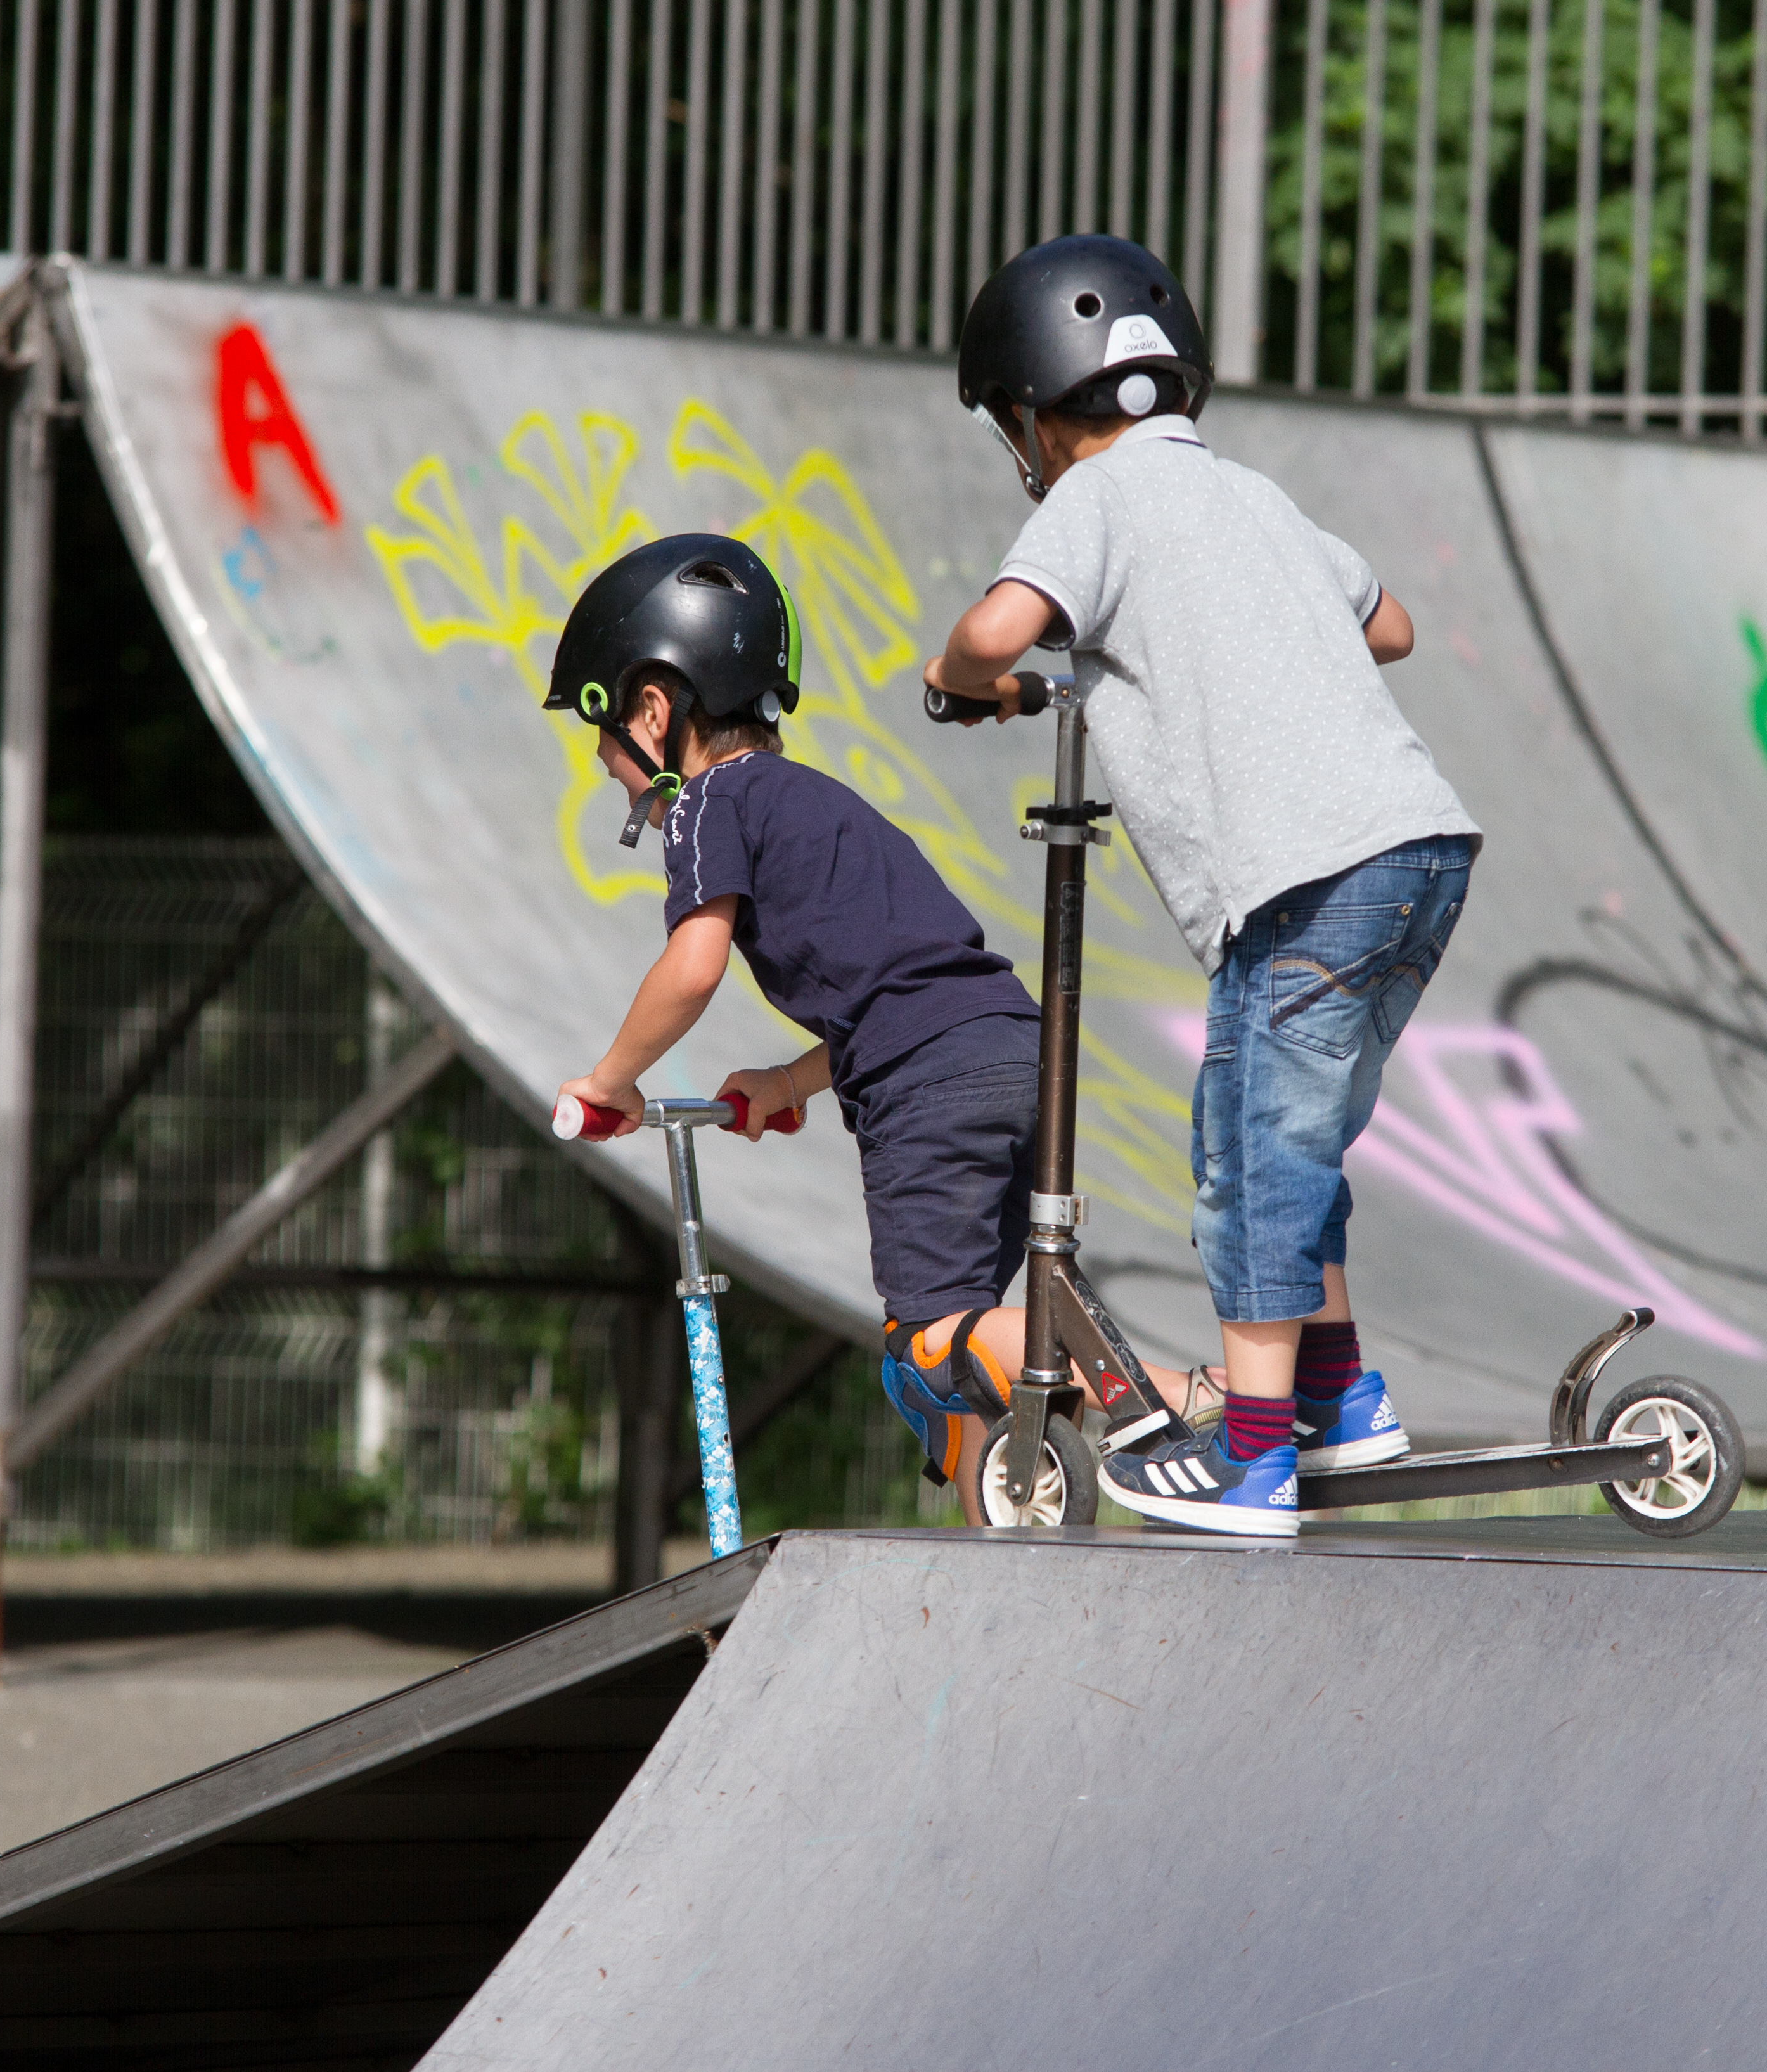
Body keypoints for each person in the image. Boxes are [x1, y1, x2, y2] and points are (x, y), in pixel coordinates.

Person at [927, 233, 1481, 1538]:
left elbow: (991, 635)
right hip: (1416, 856)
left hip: (1303, 880)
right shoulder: (1251, 496)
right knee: (1293, 1133)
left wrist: (968, 684)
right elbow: (1387, 625)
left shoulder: (1092, 503)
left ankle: (1255, 1460)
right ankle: (1341, 1406)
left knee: (1245, 1157)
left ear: (1030, 414)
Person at [546, 531, 1209, 1524]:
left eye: (604, 737)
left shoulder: (706, 803)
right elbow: (908, 986)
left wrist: (611, 1080)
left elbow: (692, 967)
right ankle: (1009, 1530)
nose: (607, 767)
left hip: (927, 1093)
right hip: (1015, 1056)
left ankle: (1199, 1400)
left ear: (654, 708)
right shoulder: (821, 802)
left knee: (928, 1337)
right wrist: (789, 1082)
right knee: (976, 1348)